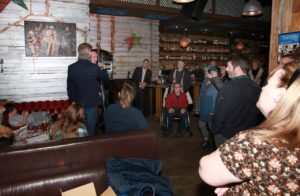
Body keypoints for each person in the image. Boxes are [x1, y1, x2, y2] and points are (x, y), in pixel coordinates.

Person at [199, 65, 300, 195]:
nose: (263, 87)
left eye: (268, 84)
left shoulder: (258, 142)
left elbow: (206, 169)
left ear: (279, 96)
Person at [211, 54, 261, 147]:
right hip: (246, 135)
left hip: (227, 135)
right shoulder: (256, 86)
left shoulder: (230, 87)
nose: (226, 69)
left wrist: (214, 131)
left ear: (237, 69)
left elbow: (220, 113)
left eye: (229, 66)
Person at [67, 43, 109, 136]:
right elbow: (106, 77)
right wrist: (103, 68)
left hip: (77, 104)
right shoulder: (94, 67)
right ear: (88, 53)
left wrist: (72, 100)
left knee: (78, 129)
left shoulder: (71, 68)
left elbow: (70, 87)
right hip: (91, 103)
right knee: (90, 129)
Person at [197, 65, 219, 148]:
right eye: (205, 72)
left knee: (211, 127)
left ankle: (215, 142)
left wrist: (213, 110)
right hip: (203, 107)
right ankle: (206, 139)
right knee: (201, 125)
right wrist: (198, 107)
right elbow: (201, 96)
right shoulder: (205, 82)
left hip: (210, 108)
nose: (206, 74)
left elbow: (216, 98)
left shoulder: (216, 83)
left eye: (207, 72)